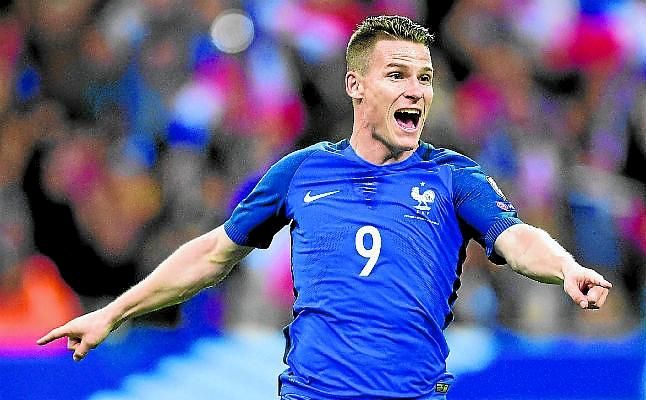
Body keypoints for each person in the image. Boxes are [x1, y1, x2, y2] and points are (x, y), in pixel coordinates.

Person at [38, 15, 612, 399]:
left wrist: (566, 268)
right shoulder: (302, 171)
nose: (416, 90)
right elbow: (213, 253)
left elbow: (516, 237)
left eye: (425, 78)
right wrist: (114, 312)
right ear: (355, 86)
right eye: (397, 75)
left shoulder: (452, 176)